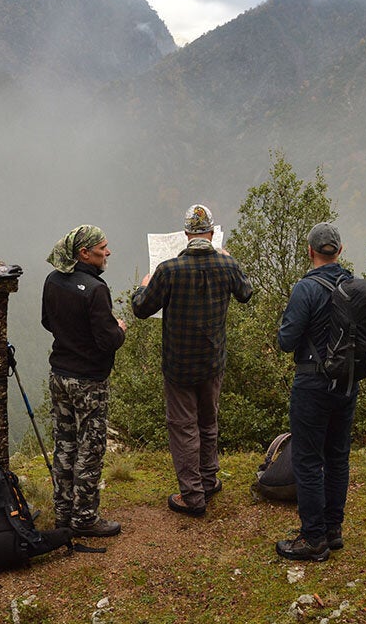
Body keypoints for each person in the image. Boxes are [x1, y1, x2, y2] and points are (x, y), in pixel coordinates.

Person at [131, 203, 253, 517]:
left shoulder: (168, 270)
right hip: (213, 361)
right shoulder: (225, 266)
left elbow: (142, 309)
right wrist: (230, 259)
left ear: (186, 235)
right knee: (208, 421)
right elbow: (246, 292)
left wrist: (142, 286)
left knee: (183, 426)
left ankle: (192, 496)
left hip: (179, 364)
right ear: (212, 233)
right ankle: (209, 481)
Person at [275, 222, 356, 561]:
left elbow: (286, 341)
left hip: (311, 383)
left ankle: (313, 539)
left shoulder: (305, 290)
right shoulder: (354, 285)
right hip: (347, 382)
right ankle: (333, 530)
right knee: (337, 456)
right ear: (339, 250)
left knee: (309, 461)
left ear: (310, 252)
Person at [41, 225, 126, 538]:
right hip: (88, 380)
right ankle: (86, 518)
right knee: (90, 447)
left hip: (59, 374)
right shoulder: (95, 289)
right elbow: (107, 341)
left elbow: (47, 321)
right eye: (102, 248)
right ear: (84, 253)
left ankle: (63, 513)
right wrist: (120, 329)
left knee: (64, 444)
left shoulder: (52, 280)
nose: (108, 252)